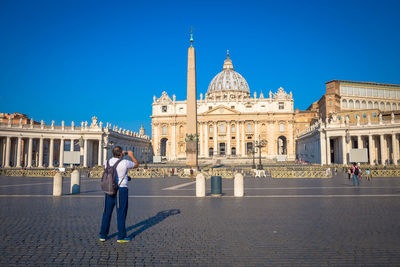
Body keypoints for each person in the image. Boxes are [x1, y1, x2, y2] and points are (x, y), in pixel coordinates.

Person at [99, 146, 138, 243]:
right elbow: (136, 165)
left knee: (106, 213)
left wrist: (121, 154)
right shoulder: (125, 162)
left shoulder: (107, 162)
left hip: (108, 189)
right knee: (121, 213)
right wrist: (131, 155)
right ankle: (121, 237)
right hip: (121, 190)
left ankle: (103, 235)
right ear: (121, 154)